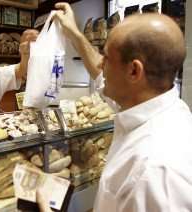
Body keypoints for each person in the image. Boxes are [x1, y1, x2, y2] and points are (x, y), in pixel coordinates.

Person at [37, 2, 192, 212]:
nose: (101, 64)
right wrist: (73, 32)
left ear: (134, 72)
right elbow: (100, 75)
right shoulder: (157, 106)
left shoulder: (154, 170)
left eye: (107, 58)